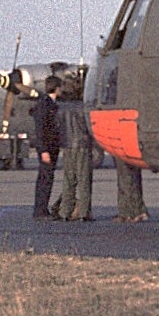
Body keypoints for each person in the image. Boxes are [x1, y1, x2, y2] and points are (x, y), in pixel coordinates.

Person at [56, 81, 96, 222]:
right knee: (83, 179)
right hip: (83, 144)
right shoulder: (84, 108)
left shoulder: (61, 108)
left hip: (67, 145)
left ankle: (65, 211)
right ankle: (84, 212)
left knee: (68, 179)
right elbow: (89, 128)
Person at [29, 75, 62, 219]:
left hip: (51, 147)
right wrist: (43, 151)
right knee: (45, 179)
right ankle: (40, 211)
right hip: (47, 148)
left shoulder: (49, 103)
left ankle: (42, 209)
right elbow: (41, 130)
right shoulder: (45, 105)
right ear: (57, 88)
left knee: (47, 178)